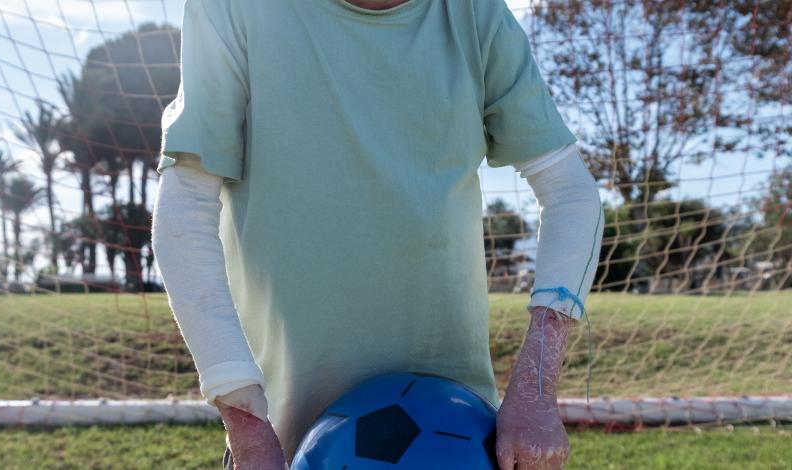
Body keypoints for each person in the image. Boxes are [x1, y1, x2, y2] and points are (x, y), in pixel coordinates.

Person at [150, 0, 604, 468]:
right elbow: (184, 212)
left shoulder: (476, 12)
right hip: (282, 446)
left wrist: (536, 389)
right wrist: (245, 424)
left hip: (459, 437)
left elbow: (571, 193)